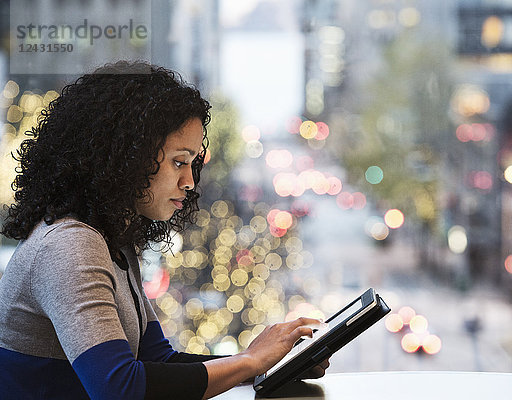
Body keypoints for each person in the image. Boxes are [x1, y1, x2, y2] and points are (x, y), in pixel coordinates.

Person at [0, 60, 329, 399]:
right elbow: (120, 388)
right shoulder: (70, 245)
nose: (189, 182)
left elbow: (159, 361)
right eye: (179, 162)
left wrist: (264, 364)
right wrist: (248, 361)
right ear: (125, 155)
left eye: (192, 163)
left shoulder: (112, 243)